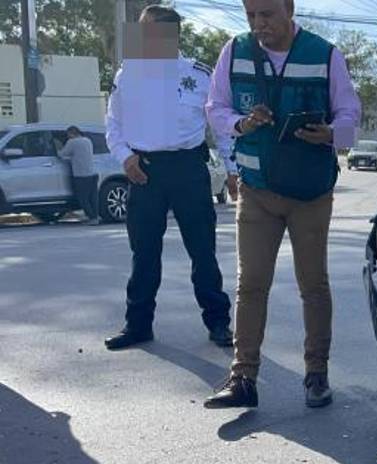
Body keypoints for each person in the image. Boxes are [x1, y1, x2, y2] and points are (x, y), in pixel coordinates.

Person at [203, 0, 361, 409]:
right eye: (251, 14)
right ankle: (243, 380)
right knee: (251, 285)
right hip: (256, 190)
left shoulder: (324, 55)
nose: (258, 24)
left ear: (289, 8)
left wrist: (330, 133)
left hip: (310, 192)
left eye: (267, 14)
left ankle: (316, 375)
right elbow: (215, 107)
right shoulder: (233, 52)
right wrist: (240, 123)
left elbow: (350, 115)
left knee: (313, 285)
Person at [103, 5, 234, 351]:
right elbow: (113, 124)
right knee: (144, 252)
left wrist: (232, 169)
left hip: (189, 169)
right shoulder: (128, 74)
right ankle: (138, 325)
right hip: (144, 170)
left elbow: (219, 128)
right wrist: (125, 157)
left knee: (202, 250)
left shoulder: (200, 74)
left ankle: (218, 321)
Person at [55, 127, 100, 225]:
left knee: (83, 198)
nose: (68, 137)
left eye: (68, 135)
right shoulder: (88, 141)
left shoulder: (72, 142)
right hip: (92, 173)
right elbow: (78, 155)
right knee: (93, 197)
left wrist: (57, 148)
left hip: (81, 175)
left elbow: (62, 154)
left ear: (72, 133)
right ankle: (95, 216)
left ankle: (91, 218)